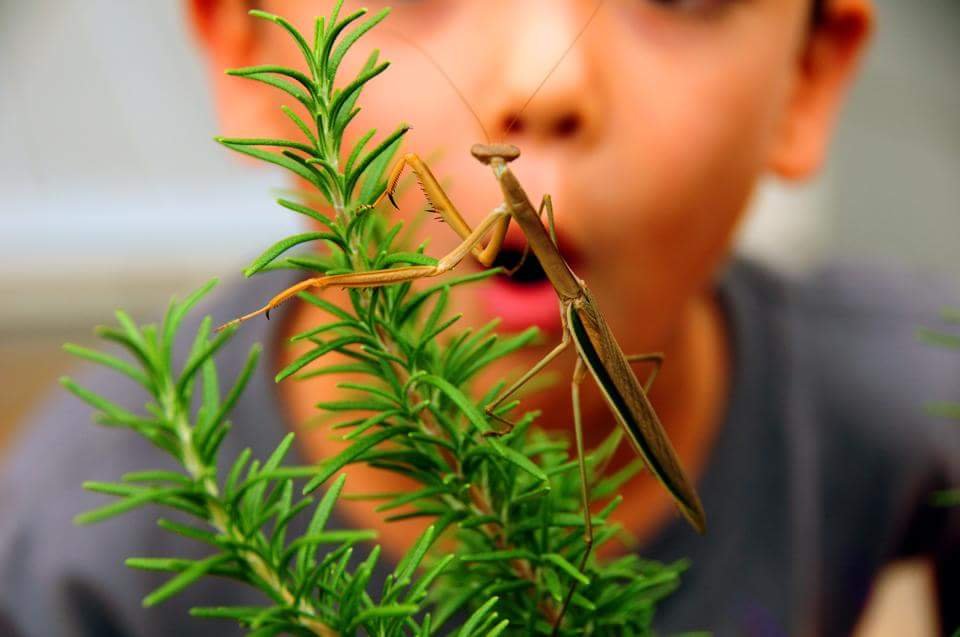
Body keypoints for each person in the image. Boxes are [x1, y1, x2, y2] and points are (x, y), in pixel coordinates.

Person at [1, 0, 957, 635]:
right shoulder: (62, 552)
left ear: (812, 68)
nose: (540, 88)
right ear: (243, 43)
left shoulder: (894, 387)